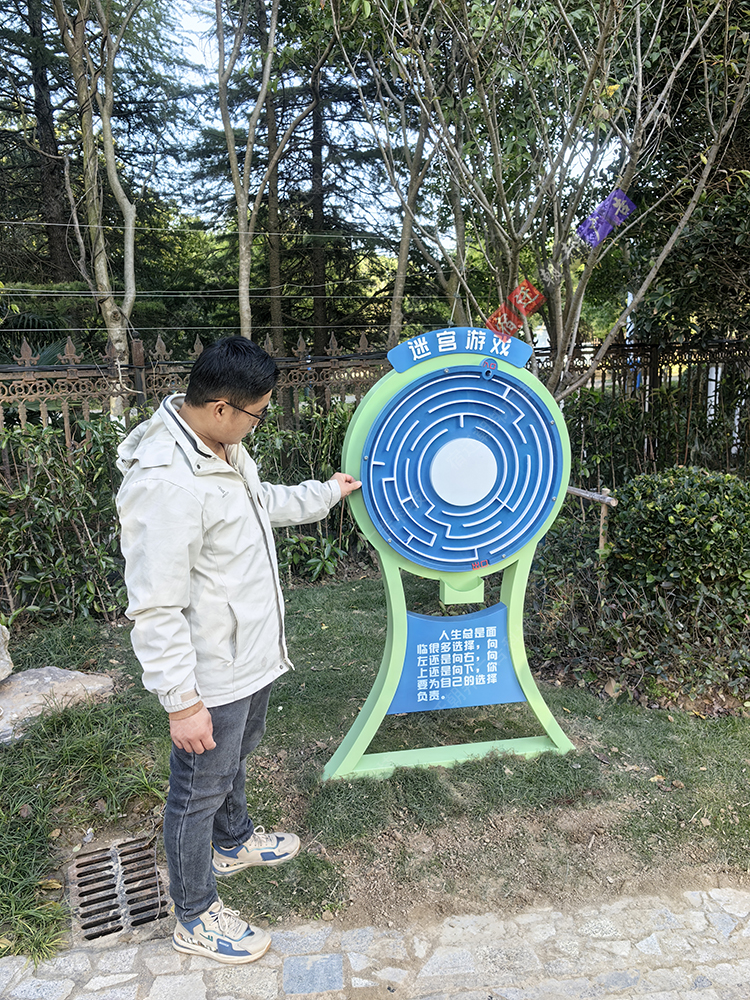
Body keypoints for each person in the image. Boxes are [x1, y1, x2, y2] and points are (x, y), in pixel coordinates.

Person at [116, 337, 361, 965]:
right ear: (222, 406)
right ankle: (195, 915)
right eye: (258, 413)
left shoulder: (220, 448)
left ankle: (233, 842)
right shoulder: (166, 483)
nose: (260, 422)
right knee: (196, 792)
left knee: (233, 760)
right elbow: (155, 606)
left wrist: (326, 492)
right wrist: (182, 702)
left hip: (249, 653)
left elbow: (261, 503)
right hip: (210, 672)